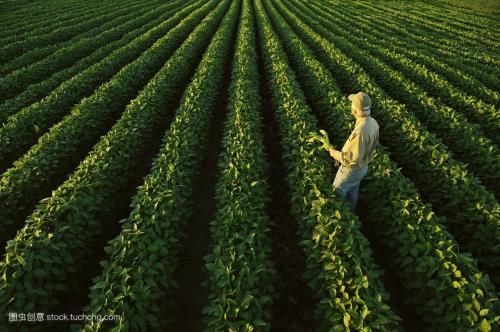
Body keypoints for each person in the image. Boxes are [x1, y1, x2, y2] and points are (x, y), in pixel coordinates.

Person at [327, 92, 379, 212]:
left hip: (351, 170)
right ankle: (351, 215)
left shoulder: (361, 130)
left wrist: (333, 153)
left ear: (355, 110)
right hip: (362, 167)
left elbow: (351, 159)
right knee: (352, 192)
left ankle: (339, 220)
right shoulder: (373, 123)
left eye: (352, 105)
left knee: (336, 195)